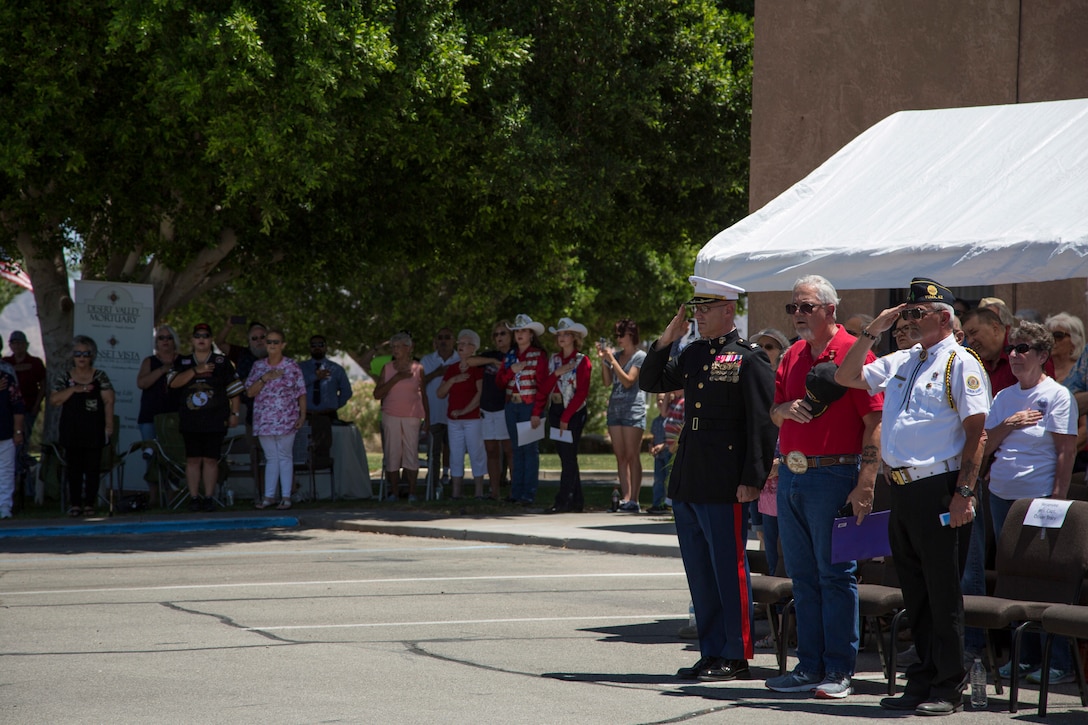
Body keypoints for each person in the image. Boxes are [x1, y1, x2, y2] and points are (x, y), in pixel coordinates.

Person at [835, 277, 990, 716]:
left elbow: (976, 435)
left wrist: (963, 492)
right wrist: (872, 330)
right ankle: (921, 679)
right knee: (916, 593)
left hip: (939, 489)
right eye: (906, 311)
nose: (909, 318)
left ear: (944, 318)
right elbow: (847, 376)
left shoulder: (960, 362)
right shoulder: (905, 358)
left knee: (943, 594)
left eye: (918, 312)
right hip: (901, 488)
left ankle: (947, 684)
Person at [640, 275, 777, 683]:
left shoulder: (749, 358)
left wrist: (752, 478)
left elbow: (762, 425)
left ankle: (735, 654)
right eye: (695, 309)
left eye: (705, 309)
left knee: (726, 569)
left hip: (724, 481)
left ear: (728, 310)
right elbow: (650, 381)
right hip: (690, 478)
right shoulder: (695, 352)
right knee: (700, 572)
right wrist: (666, 339)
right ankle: (711, 650)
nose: (698, 316)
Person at [764, 275, 883, 699]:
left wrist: (866, 483)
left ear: (830, 309)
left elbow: (875, 421)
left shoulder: (854, 351)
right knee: (801, 576)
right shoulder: (793, 354)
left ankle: (838, 670)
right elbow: (774, 412)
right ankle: (809, 666)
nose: (797, 315)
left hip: (836, 474)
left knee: (835, 576)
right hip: (793, 474)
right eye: (792, 307)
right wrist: (784, 410)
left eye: (806, 307)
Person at [983, 321, 1078, 684]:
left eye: (1023, 349)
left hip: (1038, 497)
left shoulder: (1056, 395)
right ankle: (1022, 656)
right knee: (1013, 579)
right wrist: (1009, 424)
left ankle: (1057, 662)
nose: (1015, 355)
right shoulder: (1004, 396)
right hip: (1000, 496)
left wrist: (1058, 499)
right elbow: (987, 445)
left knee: (1043, 579)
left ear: (1042, 356)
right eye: (1012, 349)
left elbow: (1066, 452)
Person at [167, 323, 244, 512]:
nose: (202, 339)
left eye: (206, 335)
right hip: (190, 420)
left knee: (210, 459)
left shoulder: (221, 362)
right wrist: (196, 370)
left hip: (215, 419)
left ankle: (209, 497)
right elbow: (173, 383)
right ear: (193, 340)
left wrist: (235, 414)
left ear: (210, 340)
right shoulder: (183, 361)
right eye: (198, 335)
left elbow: (234, 391)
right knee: (193, 460)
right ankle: (194, 498)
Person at [49, 336, 115, 517]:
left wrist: (109, 427)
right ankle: (76, 503)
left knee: (92, 468)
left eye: (85, 354)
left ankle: (90, 504)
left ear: (91, 356)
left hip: (94, 428)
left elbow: (109, 400)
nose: (81, 358)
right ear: (73, 356)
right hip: (71, 429)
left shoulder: (99, 376)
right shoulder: (65, 377)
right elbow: (55, 400)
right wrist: (73, 390)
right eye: (77, 354)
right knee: (74, 468)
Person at [246, 328, 307, 510]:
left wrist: (302, 415)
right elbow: (249, 392)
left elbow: (301, 392)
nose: (272, 345)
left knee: (285, 456)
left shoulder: (292, 366)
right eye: (269, 342)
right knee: (271, 457)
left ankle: (287, 496)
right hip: (264, 419)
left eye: (276, 342)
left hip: (287, 418)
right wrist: (264, 378)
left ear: (283, 345)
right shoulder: (258, 367)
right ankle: (269, 496)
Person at [536, 318, 592, 513]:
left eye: (566, 334)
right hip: (556, 409)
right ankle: (576, 500)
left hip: (573, 412)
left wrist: (566, 418)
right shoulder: (555, 360)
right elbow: (544, 388)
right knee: (566, 456)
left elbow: (582, 392)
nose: (562, 337)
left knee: (568, 456)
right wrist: (556, 373)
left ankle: (563, 501)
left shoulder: (582, 360)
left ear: (574, 338)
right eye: (559, 334)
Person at [497, 314, 548, 505]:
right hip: (512, 405)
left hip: (529, 406)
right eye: (517, 331)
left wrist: (537, 412)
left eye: (523, 330)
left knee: (529, 450)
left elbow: (543, 387)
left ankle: (529, 493)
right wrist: (512, 371)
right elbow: (500, 382)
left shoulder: (538, 355)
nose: (519, 334)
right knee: (516, 450)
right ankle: (515, 492)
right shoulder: (510, 356)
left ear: (531, 334)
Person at [598, 319, 647, 512]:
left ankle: (634, 499)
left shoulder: (640, 356)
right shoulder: (615, 356)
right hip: (615, 410)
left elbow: (628, 381)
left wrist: (612, 361)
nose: (618, 338)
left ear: (631, 335)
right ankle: (625, 499)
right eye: (616, 335)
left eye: (621, 334)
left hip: (633, 410)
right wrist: (604, 360)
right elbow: (607, 382)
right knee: (620, 457)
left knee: (632, 455)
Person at [373, 331, 428, 501]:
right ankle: (394, 493)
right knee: (393, 453)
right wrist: (396, 378)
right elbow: (377, 394)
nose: (395, 350)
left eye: (398, 347)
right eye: (393, 347)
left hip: (412, 416)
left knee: (411, 454)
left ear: (408, 348)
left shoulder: (418, 369)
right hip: (391, 415)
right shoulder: (388, 368)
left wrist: (428, 418)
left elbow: (424, 395)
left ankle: (412, 492)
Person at [135, 325, 183, 506]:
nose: (165, 341)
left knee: (174, 455)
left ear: (174, 341)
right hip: (150, 417)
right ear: (156, 343)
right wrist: (162, 370)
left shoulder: (184, 361)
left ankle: (172, 497)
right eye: (161, 338)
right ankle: (154, 497)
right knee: (152, 457)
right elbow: (142, 383)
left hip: (175, 416)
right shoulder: (150, 361)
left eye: (169, 338)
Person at [436, 330, 486, 500]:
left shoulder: (477, 368)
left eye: (465, 344)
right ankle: (457, 492)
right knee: (455, 454)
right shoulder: (452, 369)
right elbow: (440, 393)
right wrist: (452, 380)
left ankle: (479, 491)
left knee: (476, 453)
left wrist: (464, 411)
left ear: (474, 348)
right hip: (454, 419)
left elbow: (480, 393)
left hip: (472, 418)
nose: (461, 347)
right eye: (460, 343)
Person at [3, 330, 45, 480]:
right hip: (7, 413)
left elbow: (43, 385)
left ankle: (24, 482)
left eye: (20, 343)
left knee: (23, 444)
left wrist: (36, 405)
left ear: (26, 345)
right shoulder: (6, 362)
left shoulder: (35, 363)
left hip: (28, 410)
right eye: (14, 343)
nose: (18, 346)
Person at [421, 328, 459, 487]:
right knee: (434, 451)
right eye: (440, 337)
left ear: (453, 341)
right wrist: (437, 373)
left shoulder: (461, 359)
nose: (444, 341)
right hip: (434, 413)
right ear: (436, 341)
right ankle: (433, 481)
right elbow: (419, 384)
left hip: (455, 413)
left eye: (447, 337)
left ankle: (449, 477)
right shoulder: (427, 360)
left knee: (454, 450)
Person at [299, 334, 353, 420]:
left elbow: (347, 392)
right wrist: (314, 377)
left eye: (320, 344)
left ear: (326, 347)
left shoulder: (336, 369)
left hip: (329, 416)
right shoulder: (299, 368)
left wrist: (334, 406)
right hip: (303, 415)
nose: (317, 347)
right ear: (309, 347)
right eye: (313, 345)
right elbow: (293, 387)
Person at [0, 349, 25, 519]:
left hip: (5, 432)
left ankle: (4, 507)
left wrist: (18, 431)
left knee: (6, 471)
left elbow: (18, 407)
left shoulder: (6, 378)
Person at [1045, 312, 1084, 385]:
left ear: (1075, 341)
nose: (1051, 340)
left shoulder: (1082, 372)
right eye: (1048, 336)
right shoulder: (1038, 370)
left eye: (1058, 335)